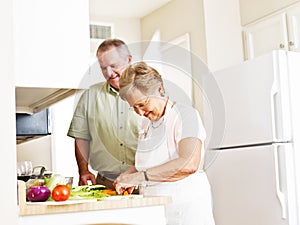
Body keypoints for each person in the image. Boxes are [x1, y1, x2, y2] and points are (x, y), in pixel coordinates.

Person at [114, 62, 215, 225]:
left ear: (159, 90)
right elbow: (148, 160)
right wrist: (128, 174)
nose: (140, 113)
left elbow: (189, 163)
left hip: (185, 207)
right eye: (134, 108)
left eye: (142, 104)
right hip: (157, 208)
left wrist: (138, 178)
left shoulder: (186, 115)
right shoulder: (147, 123)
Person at [67, 39, 142, 190]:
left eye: (113, 66)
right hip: (106, 183)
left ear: (128, 59)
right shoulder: (90, 95)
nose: (109, 73)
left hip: (144, 181)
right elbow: (81, 136)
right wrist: (83, 169)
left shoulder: (148, 92)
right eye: (103, 68)